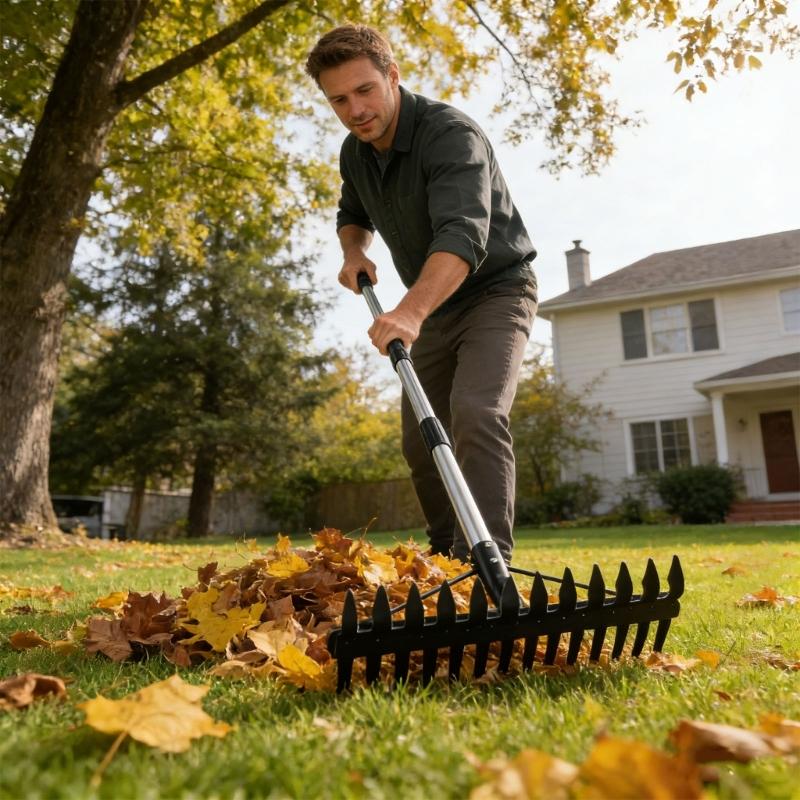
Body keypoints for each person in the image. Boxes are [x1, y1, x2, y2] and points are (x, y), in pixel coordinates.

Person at [305, 24, 537, 564]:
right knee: (419, 441)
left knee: (475, 412)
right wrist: (353, 252)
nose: (355, 110)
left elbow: (463, 234)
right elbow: (351, 212)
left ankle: (487, 564)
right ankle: (444, 561)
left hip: (496, 291)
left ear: (392, 76)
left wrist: (409, 312)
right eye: (339, 100)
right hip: (433, 307)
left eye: (365, 90)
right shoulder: (355, 153)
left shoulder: (450, 134)